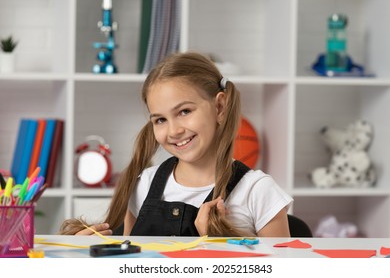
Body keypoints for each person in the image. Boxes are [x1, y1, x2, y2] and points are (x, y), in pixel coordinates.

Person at [59, 52, 293, 237]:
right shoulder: (143, 186)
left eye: (184, 111)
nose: (173, 130)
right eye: (160, 119)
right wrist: (86, 255)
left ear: (219, 107)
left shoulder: (258, 191)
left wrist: (218, 245)